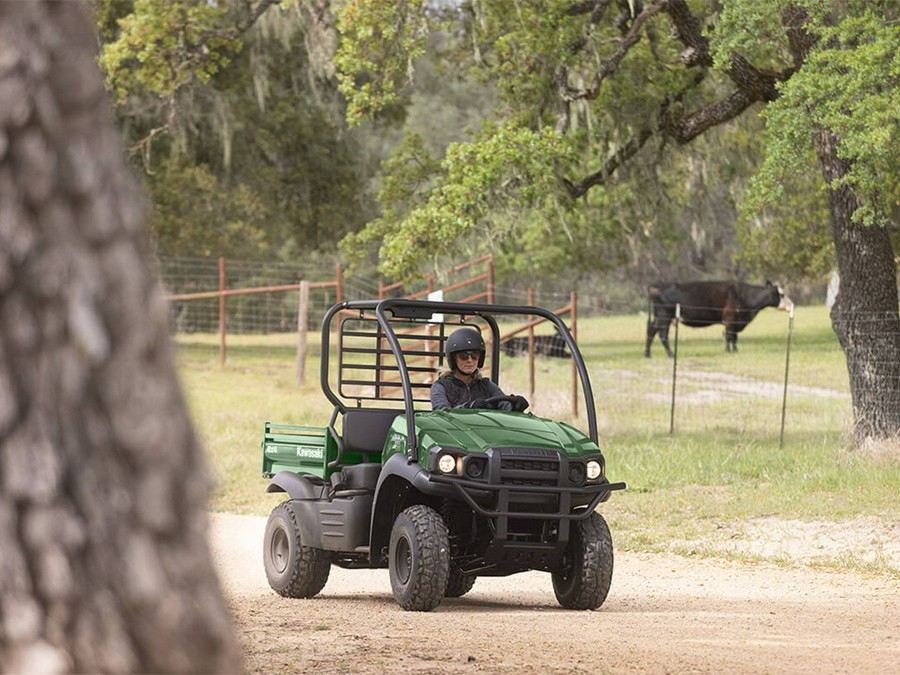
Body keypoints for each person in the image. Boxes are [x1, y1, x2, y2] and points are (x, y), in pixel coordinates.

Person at [431, 327, 528, 412]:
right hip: (453, 431)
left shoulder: (486, 386)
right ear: (453, 358)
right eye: (463, 355)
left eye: (474, 355)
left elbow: (504, 405)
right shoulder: (441, 387)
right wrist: (468, 408)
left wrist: (515, 406)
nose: (470, 360)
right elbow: (442, 413)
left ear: (480, 358)